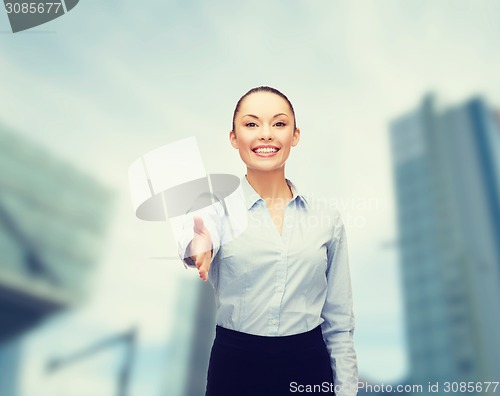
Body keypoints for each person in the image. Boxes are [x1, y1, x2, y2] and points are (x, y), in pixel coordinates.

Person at [180, 86, 358, 395]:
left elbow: (339, 320)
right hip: (235, 365)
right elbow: (195, 237)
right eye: (251, 124)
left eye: (278, 123)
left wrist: (346, 390)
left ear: (295, 135)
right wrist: (198, 245)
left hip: (308, 364)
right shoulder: (215, 210)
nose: (266, 134)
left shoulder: (326, 219)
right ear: (234, 137)